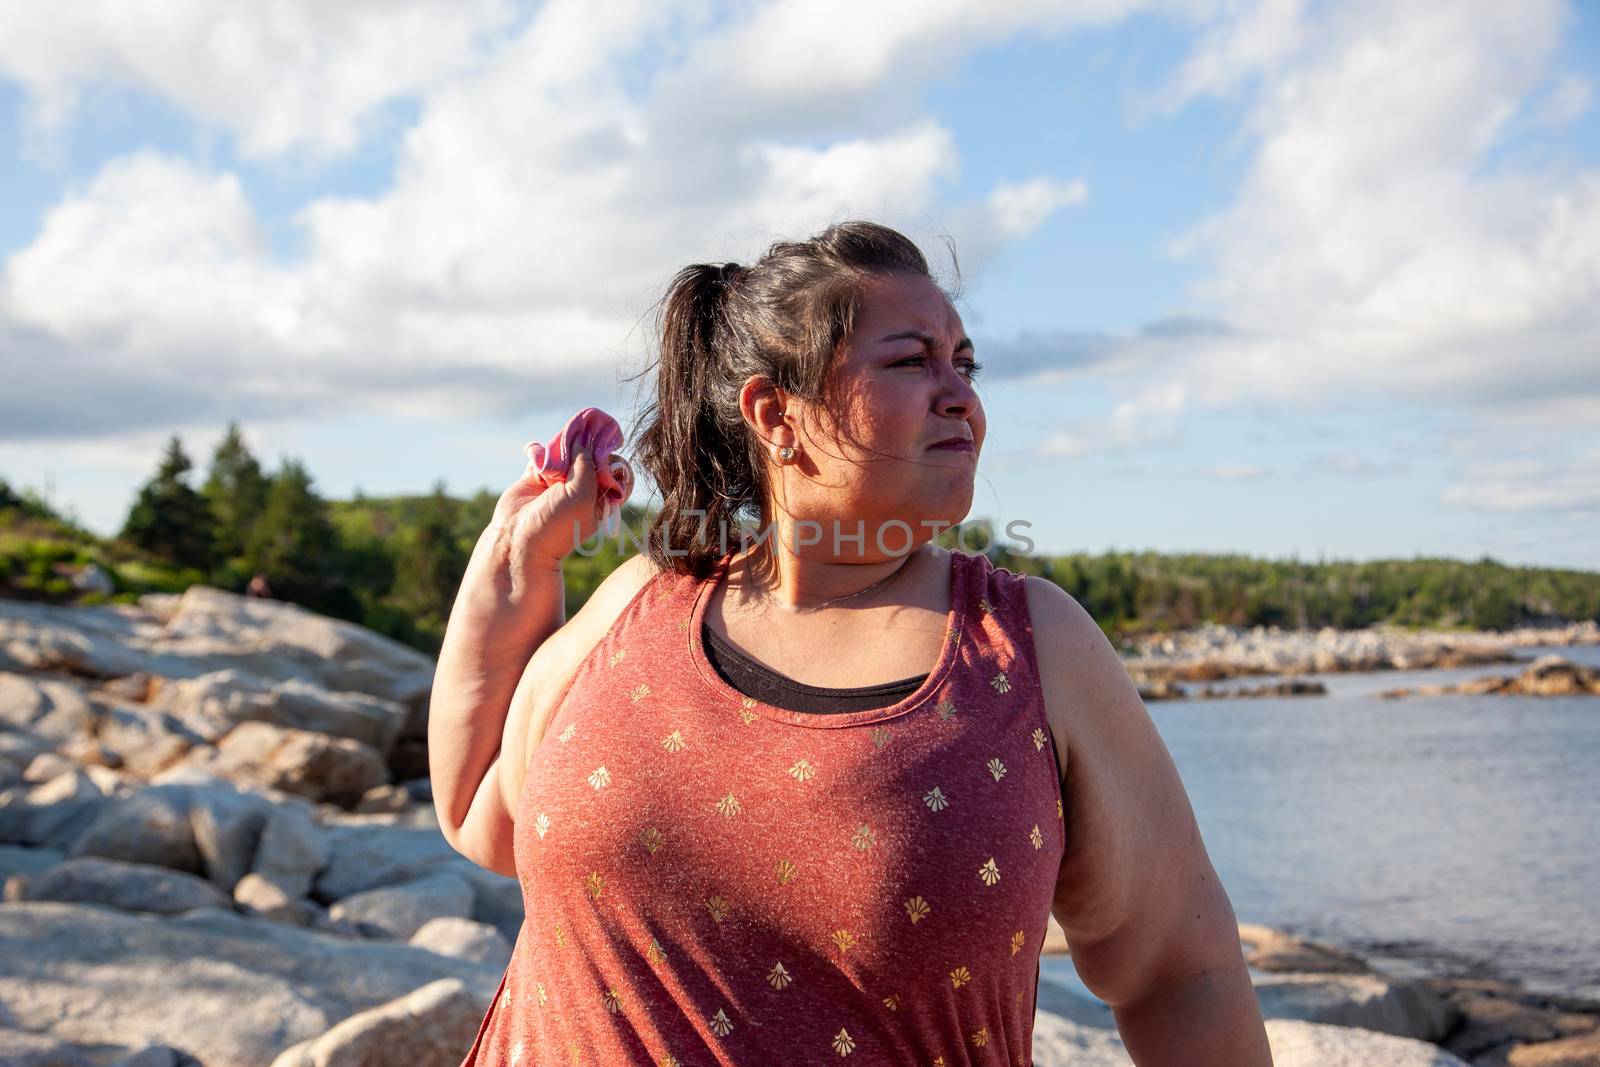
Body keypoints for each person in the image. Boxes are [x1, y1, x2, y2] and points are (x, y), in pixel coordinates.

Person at [431, 221, 1271, 1065]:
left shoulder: (1030, 648)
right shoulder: (634, 609)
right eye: (913, 361)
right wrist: (518, 554)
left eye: (965, 365)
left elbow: (1178, 969)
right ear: (776, 413)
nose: (962, 397)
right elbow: (479, 815)